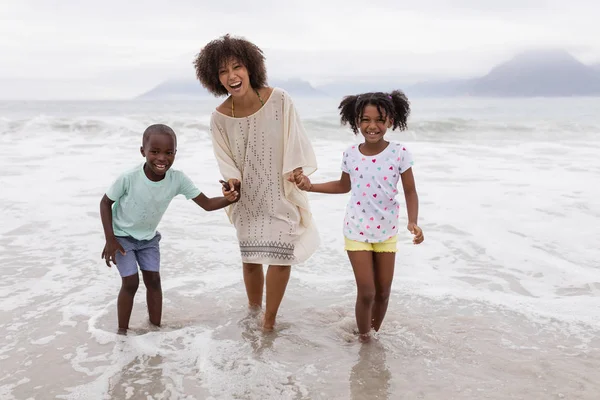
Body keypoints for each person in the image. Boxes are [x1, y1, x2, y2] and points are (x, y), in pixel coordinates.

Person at [193, 34, 319, 331]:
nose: (231, 76)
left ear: (250, 67)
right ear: (215, 77)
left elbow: (295, 139)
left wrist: (298, 171)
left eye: (237, 67)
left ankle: (268, 323)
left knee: (280, 257)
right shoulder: (219, 117)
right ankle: (252, 315)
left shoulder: (279, 99)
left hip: (280, 191)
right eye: (223, 71)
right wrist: (232, 184)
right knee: (250, 259)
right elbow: (224, 159)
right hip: (246, 198)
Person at [293, 90, 424, 342]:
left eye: (379, 120)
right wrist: (311, 186)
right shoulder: (351, 153)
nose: (372, 126)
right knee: (367, 291)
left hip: (386, 231)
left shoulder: (399, 153)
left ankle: (373, 333)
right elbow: (344, 186)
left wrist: (413, 221)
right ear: (356, 122)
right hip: (357, 229)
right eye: (365, 120)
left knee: (383, 293)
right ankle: (364, 339)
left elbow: (410, 190)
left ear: (391, 121)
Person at [99, 123, 239, 334]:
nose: (162, 158)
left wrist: (231, 198)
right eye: (154, 152)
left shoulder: (177, 179)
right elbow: (105, 203)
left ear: (175, 153)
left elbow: (208, 204)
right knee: (131, 283)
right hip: (121, 237)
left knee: (154, 281)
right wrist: (110, 239)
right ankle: (122, 334)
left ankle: (155, 329)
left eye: (168, 152)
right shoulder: (129, 178)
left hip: (148, 240)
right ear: (142, 152)